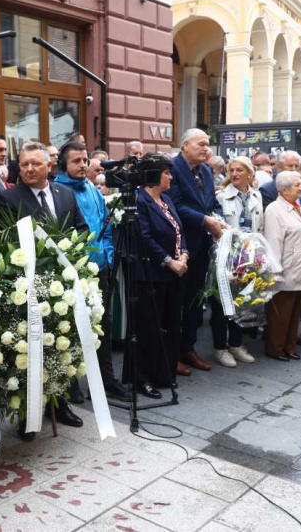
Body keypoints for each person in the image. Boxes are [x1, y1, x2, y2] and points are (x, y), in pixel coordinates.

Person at [0, 141, 87, 440]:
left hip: (64, 288)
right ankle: (28, 415)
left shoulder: (65, 193)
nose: (29, 169)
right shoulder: (8, 198)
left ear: (50, 165)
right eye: (24, 165)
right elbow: (2, 245)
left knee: (61, 350)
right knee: (29, 355)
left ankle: (59, 405)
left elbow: (81, 230)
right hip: (28, 290)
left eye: (36, 164)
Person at [53, 142, 131, 402]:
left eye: (85, 160)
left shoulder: (93, 190)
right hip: (74, 271)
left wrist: (107, 256)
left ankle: (106, 379)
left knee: (104, 325)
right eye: (76, 160)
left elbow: (105, 227)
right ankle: (72, 383)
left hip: (101, 267)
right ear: (64, 165)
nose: (83, 164)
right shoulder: (58, 191)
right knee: (73, 326)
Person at [166, 128, 227, 375]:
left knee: (195, 300)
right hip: (179, 246)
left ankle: (188, 348)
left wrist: (219, 220)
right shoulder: (172, 168)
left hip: (203, 246)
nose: (206, 148)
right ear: (185, 145)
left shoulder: (205, 171)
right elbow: (175, 205)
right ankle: (171, 354)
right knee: (176, 301)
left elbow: (210, 204)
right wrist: (205, 221)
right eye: (201, 144)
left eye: (208, 144)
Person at [124, 158, 187, 394]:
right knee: (149, 327)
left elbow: (179, 231)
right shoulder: (139, 200)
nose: (170, 177)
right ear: (152, 175)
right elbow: (145, 238)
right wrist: (169, 261)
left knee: (170, 325)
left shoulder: (167, 199)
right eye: (166, 173)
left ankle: (164, 373)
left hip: (175, 274)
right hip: (150, 275)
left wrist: (185, 256)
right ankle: (143, 378)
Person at [210, 156, 262, 367]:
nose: (235, 174)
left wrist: (259, 255)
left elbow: (261, 227)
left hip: (250, 256)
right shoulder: (222, 196)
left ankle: (236, 344)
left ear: (249, 173)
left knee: (243, 302)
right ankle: (220, 348)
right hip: (228, 258)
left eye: (240, 170)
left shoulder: (257, 196)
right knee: (222, 304)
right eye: (232, 170)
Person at [263, 172, 301, 361]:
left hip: (300, 268)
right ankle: (276, 348)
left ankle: (289, 346)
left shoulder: (296, 206)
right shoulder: (274, 209)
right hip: (286, 269)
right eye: (297, 185)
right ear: (285, 189)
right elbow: (273, 242)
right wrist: (275, 272)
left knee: (295, 312)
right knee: (281, 312)